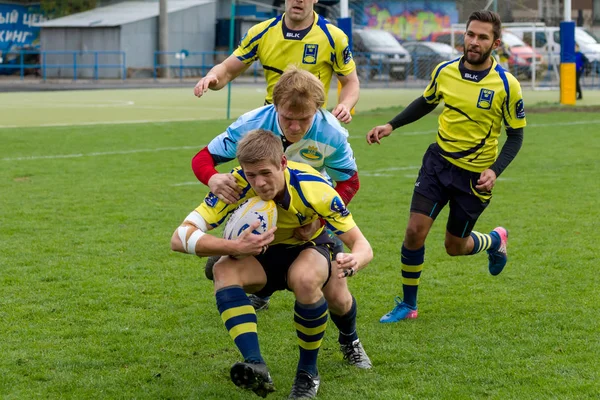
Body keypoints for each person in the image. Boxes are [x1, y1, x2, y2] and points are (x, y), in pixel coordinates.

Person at [171, 129, 373, 399]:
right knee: (223, 268)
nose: (259, 183)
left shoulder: (314, 187)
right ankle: (255, 363)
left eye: (266, 173)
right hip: (261, 252)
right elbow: (179, 237)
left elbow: (363, 245)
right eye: (251, 174)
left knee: (332, 296)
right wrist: (233, 247)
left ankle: (328, 357)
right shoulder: (235, 184)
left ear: (282, 163)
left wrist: (355, 259)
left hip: (309, 247)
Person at [192, 66, 371, 369]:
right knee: (238, 265)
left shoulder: (331, 133)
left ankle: (350, 340)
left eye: (305, 119)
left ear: (318, 109)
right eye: (288, 118)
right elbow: (203, 158)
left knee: (337, 297)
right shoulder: (252, 123)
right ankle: (255, 281)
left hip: (307, 216)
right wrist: (211, 179)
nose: (296, 126)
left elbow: (350, 181)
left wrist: (319, 220)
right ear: (275, 106)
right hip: (263, 213)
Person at [365, 10, 526, 324]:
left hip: (474, 178)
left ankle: (494, 240)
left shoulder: (507, 85)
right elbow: (427, 101)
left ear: (495, 43)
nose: (474, 42)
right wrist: (391, 125)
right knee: (414, 232)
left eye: (482, 37)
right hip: (438, 165)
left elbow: (516, 135)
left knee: (455, 247)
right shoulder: (445, 71)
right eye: (470, 34)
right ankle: (408, 305)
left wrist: (495, 170)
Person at [193, 0, 359, 124]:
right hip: (271, 122)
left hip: (312, 124)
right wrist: (212, 77)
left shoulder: (334, 37)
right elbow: (227, 70)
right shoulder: (261, 32)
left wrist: (345, 105)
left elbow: (350, 82)